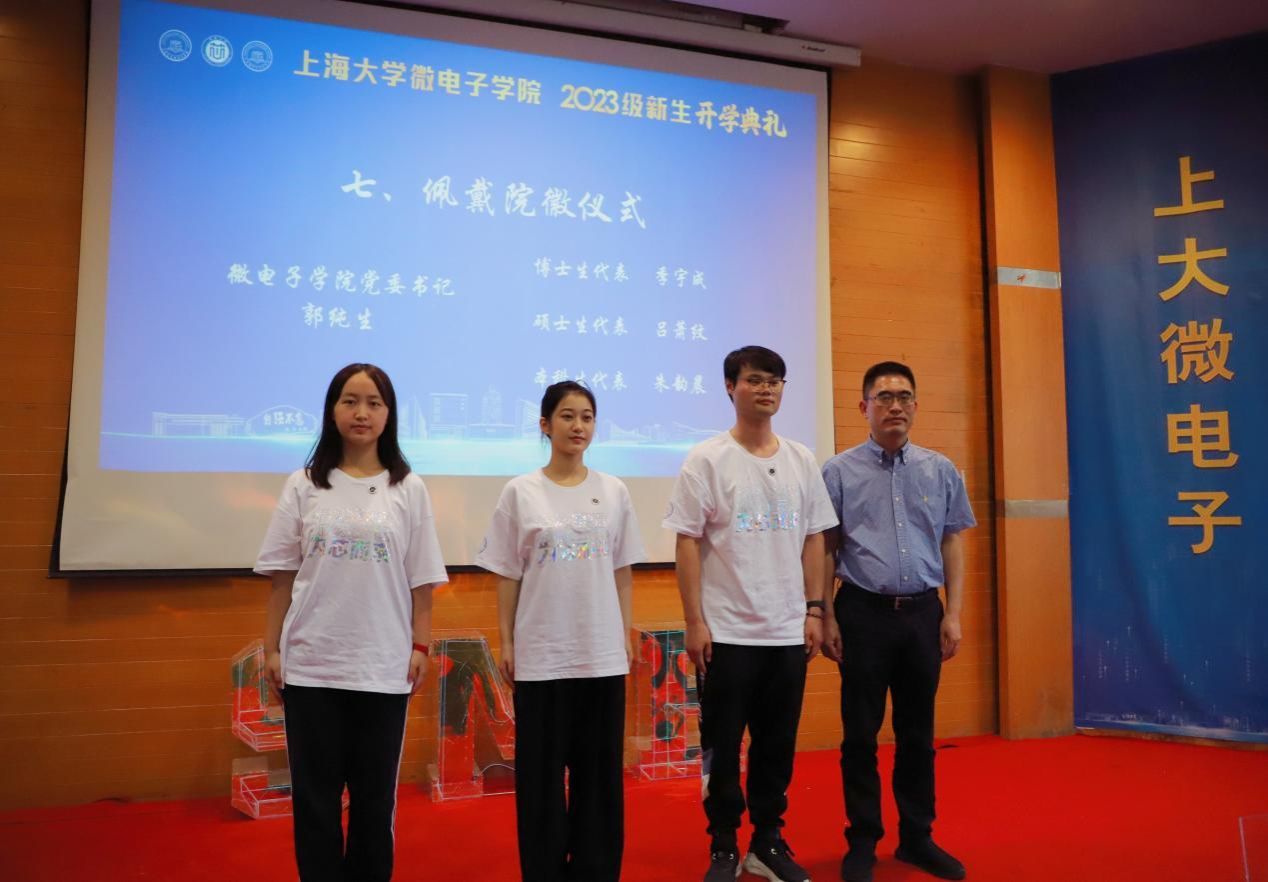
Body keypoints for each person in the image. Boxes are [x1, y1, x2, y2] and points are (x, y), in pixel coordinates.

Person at [256, 362, 447, 882]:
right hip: (311, 665)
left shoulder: (408, 488)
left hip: (383, 666)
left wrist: (421, 646)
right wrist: (272, 650)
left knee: (373, 799)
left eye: (374, 403)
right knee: (314, 799)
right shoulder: (304, 485)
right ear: (332, 410)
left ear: (389, 414)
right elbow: (281, 579)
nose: (362, 413)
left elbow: (422, 581)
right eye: (350, 401)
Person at [663, 345, 838, 882]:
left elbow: (815, 538)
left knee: (776, 747)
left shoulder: (801, 459)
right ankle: (722, 846)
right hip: (727, 633)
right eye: (755, 380)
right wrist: (695, 621)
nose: (766, 389)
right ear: (730, 387)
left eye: (775, 381)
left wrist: (814, 610)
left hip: (786, 633)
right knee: (722, 748)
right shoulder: (707, 460)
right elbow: (687, 542)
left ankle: (766, 843)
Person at [475, 381, 644, 882]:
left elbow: (622, 571)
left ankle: (595, 869)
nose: (578, 426)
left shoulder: (613, 491)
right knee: (541, 780)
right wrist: (507, 640)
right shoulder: (520, 492)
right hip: (542, 655)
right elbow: (508, 574)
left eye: (587, 416)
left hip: (600, 654)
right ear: (545, 425)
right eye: (567, 416)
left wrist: (624, 633)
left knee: (599, 777)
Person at [821, 361, 976, 882]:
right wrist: (824, 613)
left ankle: (917, 838)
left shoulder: (940, 469)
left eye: (904, 397)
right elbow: (826, 547)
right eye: (884, 397)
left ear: (915, 406)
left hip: (922, 615)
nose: (895, 406)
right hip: (862, 613)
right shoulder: (838, 472)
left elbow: (952, 540)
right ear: (863, 407)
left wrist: (953, 612)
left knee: (917, 733)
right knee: (860, 735)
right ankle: (863, 840)